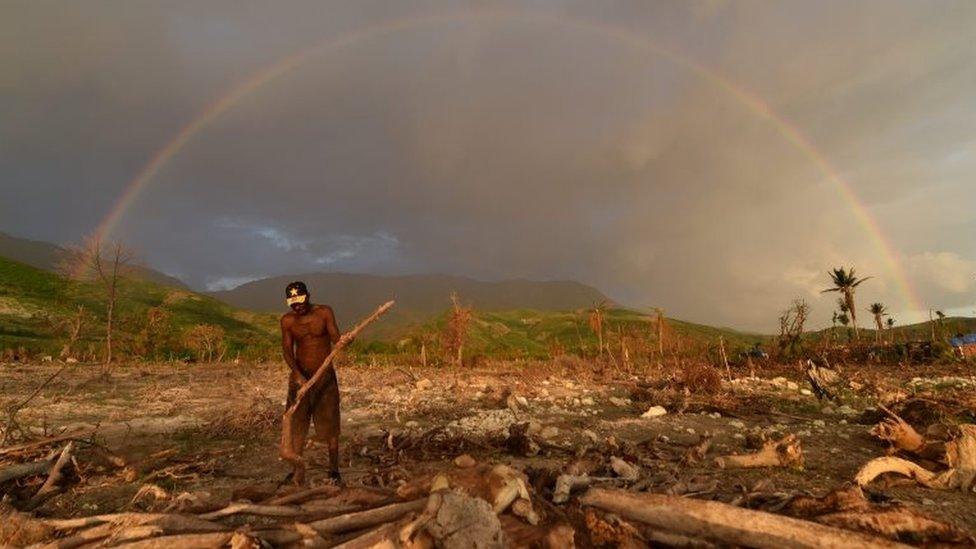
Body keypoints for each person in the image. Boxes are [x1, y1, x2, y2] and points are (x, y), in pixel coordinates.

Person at [279, 281, 342, 484]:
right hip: (300, 379)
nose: (298, 306)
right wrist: (297, 373)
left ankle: (333, 471)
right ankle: (297, 468)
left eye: (300, 300)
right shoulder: (287, 321)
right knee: (297, 424)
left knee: (330, 425)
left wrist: (344, 341)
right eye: (293, 303)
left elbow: (335, 338)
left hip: (324, 377)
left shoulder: (324, 312)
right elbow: (287, 350)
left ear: (308, 295)